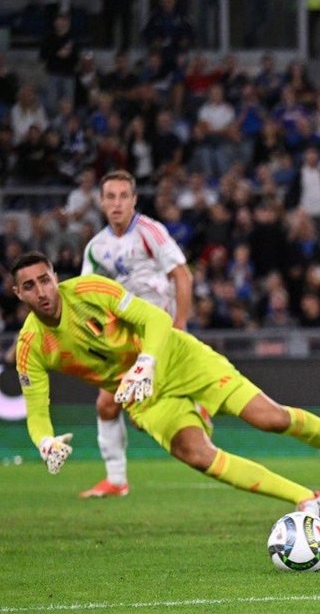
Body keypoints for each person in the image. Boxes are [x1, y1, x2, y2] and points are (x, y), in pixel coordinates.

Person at [12, 250, 320, 520]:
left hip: (178, 358)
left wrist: (147, 361)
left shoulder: (91, 290)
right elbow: (37, 411)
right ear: (18, 294)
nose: (42, 291)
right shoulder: (31, 346)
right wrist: (45, 442)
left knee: (271, 419)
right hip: (144, 396)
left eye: (45, 279)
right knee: (196, 454)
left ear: (54, 276)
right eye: (29, 286)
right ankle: (306, 498)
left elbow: (155, 319)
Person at [74, 170, 193, 498]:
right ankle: (116, 480)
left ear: (134, 200)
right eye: (110, 197)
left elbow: (182, 275)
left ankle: (194, 408)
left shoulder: (150, 232)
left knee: (144, 416)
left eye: (123, 196)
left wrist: (180, 323)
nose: (117, 203)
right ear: (101, 202)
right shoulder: (96, 248)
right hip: (123, 338)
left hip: (157, 332)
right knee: (107, 405)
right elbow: (86, 297)